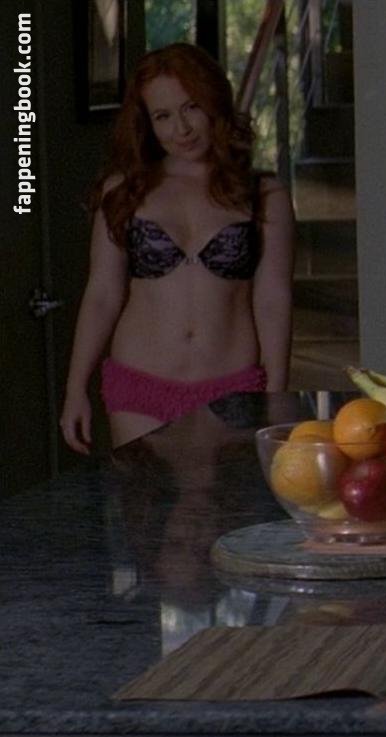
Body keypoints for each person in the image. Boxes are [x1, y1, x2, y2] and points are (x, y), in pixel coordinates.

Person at [60, 43, 294, 453]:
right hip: (140, 387)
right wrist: (75, 388)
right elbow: (102, 294)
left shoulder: (264, 195)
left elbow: (273, 299)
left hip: (234, 387)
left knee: (228, 497)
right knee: (145, 497)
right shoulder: (124, 191)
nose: (181, 129)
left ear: (214, 103)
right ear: (146, 123)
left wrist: (275, 392)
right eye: (163, 116)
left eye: (191, 108)